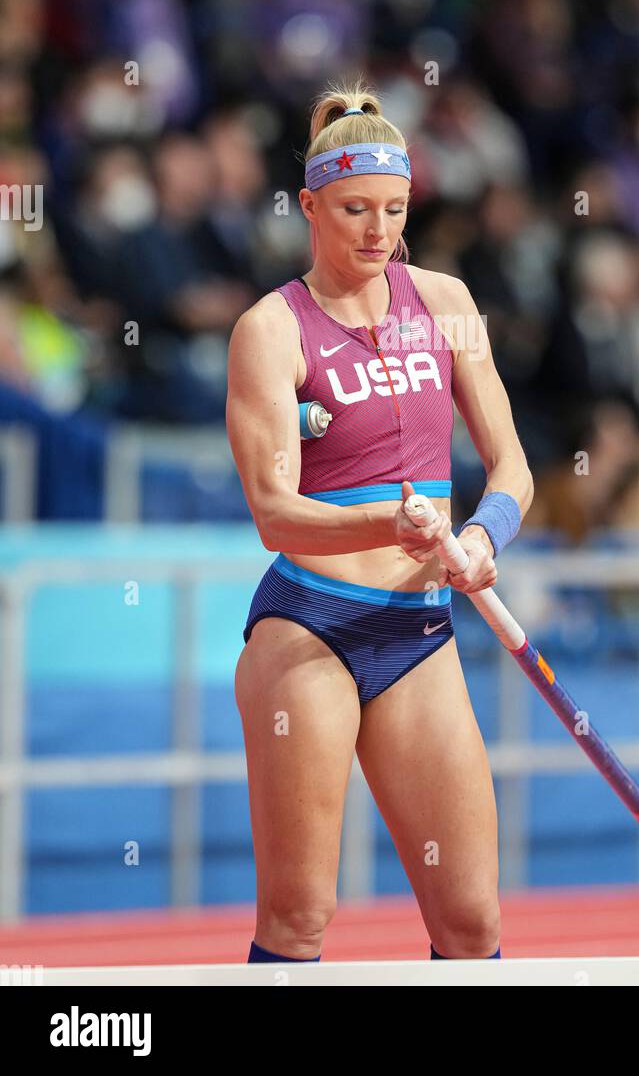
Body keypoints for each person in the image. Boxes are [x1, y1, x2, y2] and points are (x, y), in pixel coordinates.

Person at [227, 80, 533, 963]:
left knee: (473, 922)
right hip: (309, 626)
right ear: (309, 205)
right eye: (355, 209)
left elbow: (512, 466)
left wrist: (482, 538)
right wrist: (385, 528)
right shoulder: (270, 330)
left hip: (418, 632)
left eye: (395, 210)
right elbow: (274, 515)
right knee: (300, 915)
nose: (377, 233)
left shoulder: (444, 302)